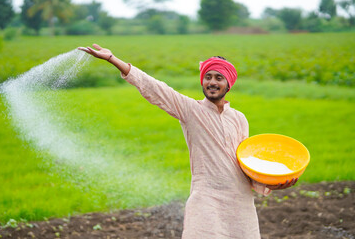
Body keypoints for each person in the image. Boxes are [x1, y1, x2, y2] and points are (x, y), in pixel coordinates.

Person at [78, 44, 297, 239]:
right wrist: (112, 59)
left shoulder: (239, 118)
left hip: (240, 203)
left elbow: (246, 163)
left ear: (229, 84)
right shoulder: (191, 110)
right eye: (208, 77)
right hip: (207, 200)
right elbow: (155, 88)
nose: (212, 82)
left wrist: (272, 183)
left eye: (218, 78)